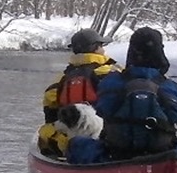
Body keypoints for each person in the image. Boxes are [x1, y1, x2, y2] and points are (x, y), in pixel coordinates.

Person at [94, 26, 177, 161]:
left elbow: (101, 108)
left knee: (83, 145)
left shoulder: (110, 82)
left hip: (116, 154)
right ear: (159, 53)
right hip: (160, 155)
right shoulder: (169, 87)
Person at [36, 27, 118, 157]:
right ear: (96, 48)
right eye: (101, 45)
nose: (104, 49)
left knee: (46, 133)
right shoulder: (113, 74)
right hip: (105, 143)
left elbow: (50, 116)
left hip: (70, 145)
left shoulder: (59, 81)